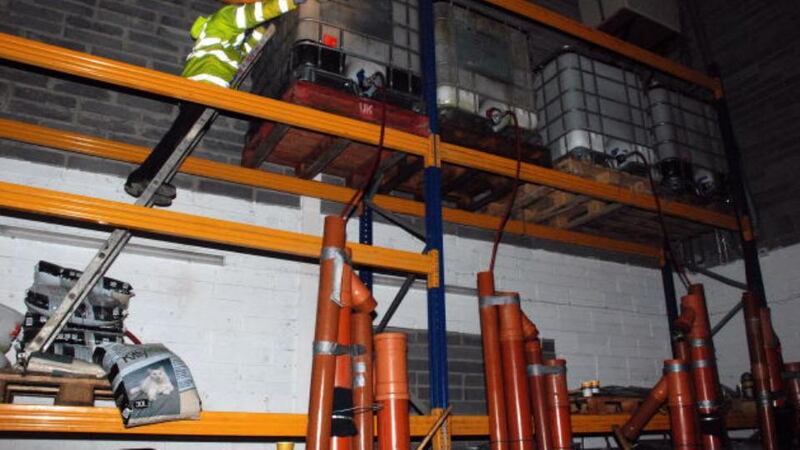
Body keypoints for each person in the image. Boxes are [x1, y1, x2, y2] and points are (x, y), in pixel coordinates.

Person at [125, 0, 305, 206]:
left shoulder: (228, 39)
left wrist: (264, 29)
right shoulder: (225, 17)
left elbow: (245, 52)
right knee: (179, 134)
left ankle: (152, 177)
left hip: (207, 93)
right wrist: (288, 3)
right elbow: (253, 13)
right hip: (202, 89)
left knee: (183, 135)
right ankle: (142, 177)